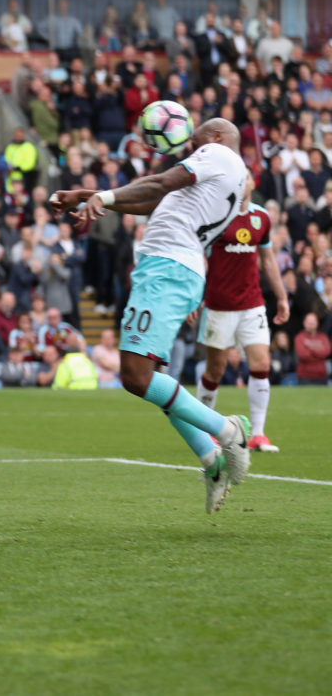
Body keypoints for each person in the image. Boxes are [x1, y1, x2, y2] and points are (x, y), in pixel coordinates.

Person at [51, 118, 252, 514]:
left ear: (213, 138)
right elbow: (150, 200)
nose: (188, 147)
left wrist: (104, 198)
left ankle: (229, 431)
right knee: (152, 376)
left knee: (136, 376)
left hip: (168, 268)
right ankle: (211, 462)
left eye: (193, 141)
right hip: (168, 269)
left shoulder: (218, 154)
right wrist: (86, 195)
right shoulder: (214, 177)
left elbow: (158, 185)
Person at [195, 177, 290, 452]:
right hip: (219, 306)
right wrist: (194, 297)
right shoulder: (215, 215)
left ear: (252, 183)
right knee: (215, 369)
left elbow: (268, 259)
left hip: (252, 304)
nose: (243, 179)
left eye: (247, 175)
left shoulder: (261, 217)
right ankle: (205, 429)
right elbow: (199, 258)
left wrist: (282, 296)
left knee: (261, 363)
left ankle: (258, 435)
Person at [294, 312, 331, 385]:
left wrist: (310, 350)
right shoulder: (299, 337)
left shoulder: (323, 337)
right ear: (304, 323)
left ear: (317, 323)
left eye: (313, 322)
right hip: (305, 377)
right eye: (309, 322)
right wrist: (319, 352)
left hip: (322, 376)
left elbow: (327, 352)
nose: (311, 325)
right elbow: (303, 355)